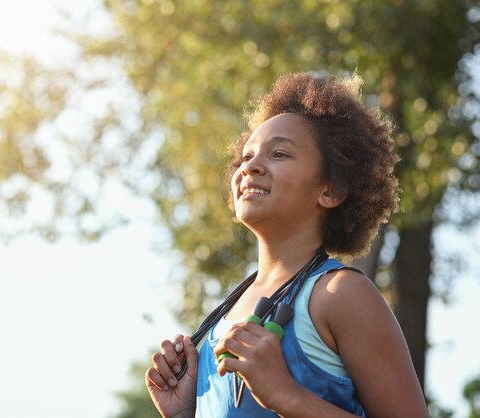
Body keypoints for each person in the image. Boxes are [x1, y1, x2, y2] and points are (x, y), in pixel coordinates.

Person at [145, 72, 429, 418]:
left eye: (279, 154)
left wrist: (285, 395)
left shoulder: (342, 296)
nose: (250, 168)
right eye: (246, 157)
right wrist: (186, 413)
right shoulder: (221, 322)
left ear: (331, 190)